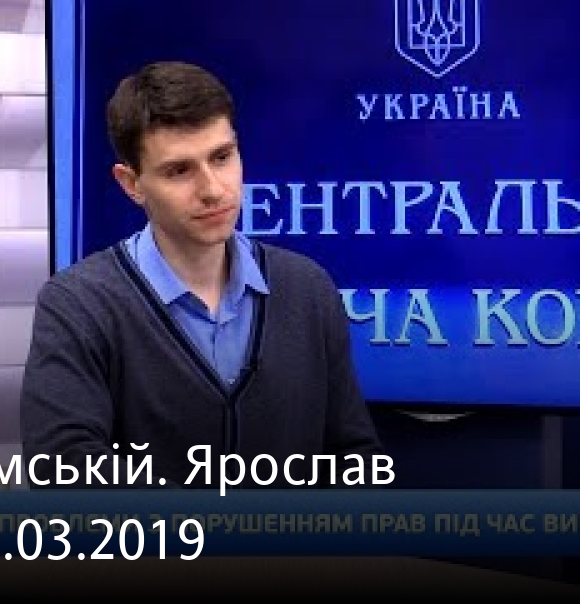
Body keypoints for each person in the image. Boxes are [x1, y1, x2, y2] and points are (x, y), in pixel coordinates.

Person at [20, 61, 383, 489]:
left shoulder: (308, 289)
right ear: (131, 184)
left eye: (222, 157)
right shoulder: (78, 305)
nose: (213, 189)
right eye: (179, 170)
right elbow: (63, 471)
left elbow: (355, 461)